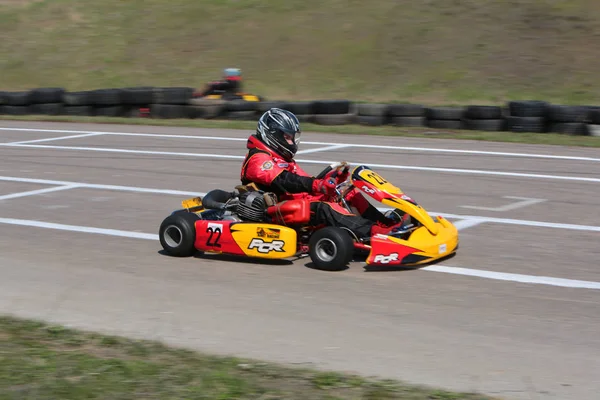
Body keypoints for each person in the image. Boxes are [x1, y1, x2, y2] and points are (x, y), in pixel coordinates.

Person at [239, 108, 408, 239]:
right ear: (273, 135)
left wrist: (329, 182)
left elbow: (304, 180)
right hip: (277, 211)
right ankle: (375, 233)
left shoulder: (282, 158)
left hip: (296, 202)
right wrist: (316, 184)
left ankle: (384, 224)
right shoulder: (258, 158)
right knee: (326, 208)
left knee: (348, 193)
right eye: (288, 137)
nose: (292, 142)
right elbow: (284, 180)